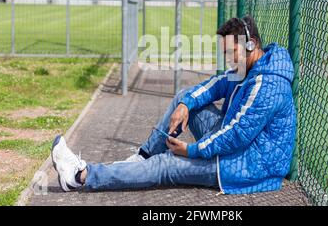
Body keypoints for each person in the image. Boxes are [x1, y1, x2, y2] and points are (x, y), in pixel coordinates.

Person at [51, 15, 297, 195]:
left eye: (232, 52)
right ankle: (141, 159)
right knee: (183, 97)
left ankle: (78, 176)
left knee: (165, 165)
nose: (229, 60)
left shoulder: (269, 85)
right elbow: (214, 86)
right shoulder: (245, 65)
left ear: (251, 44)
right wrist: (186, 104)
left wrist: (191, 151)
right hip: (235, 146)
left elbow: (236, 135)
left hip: (248, 164)